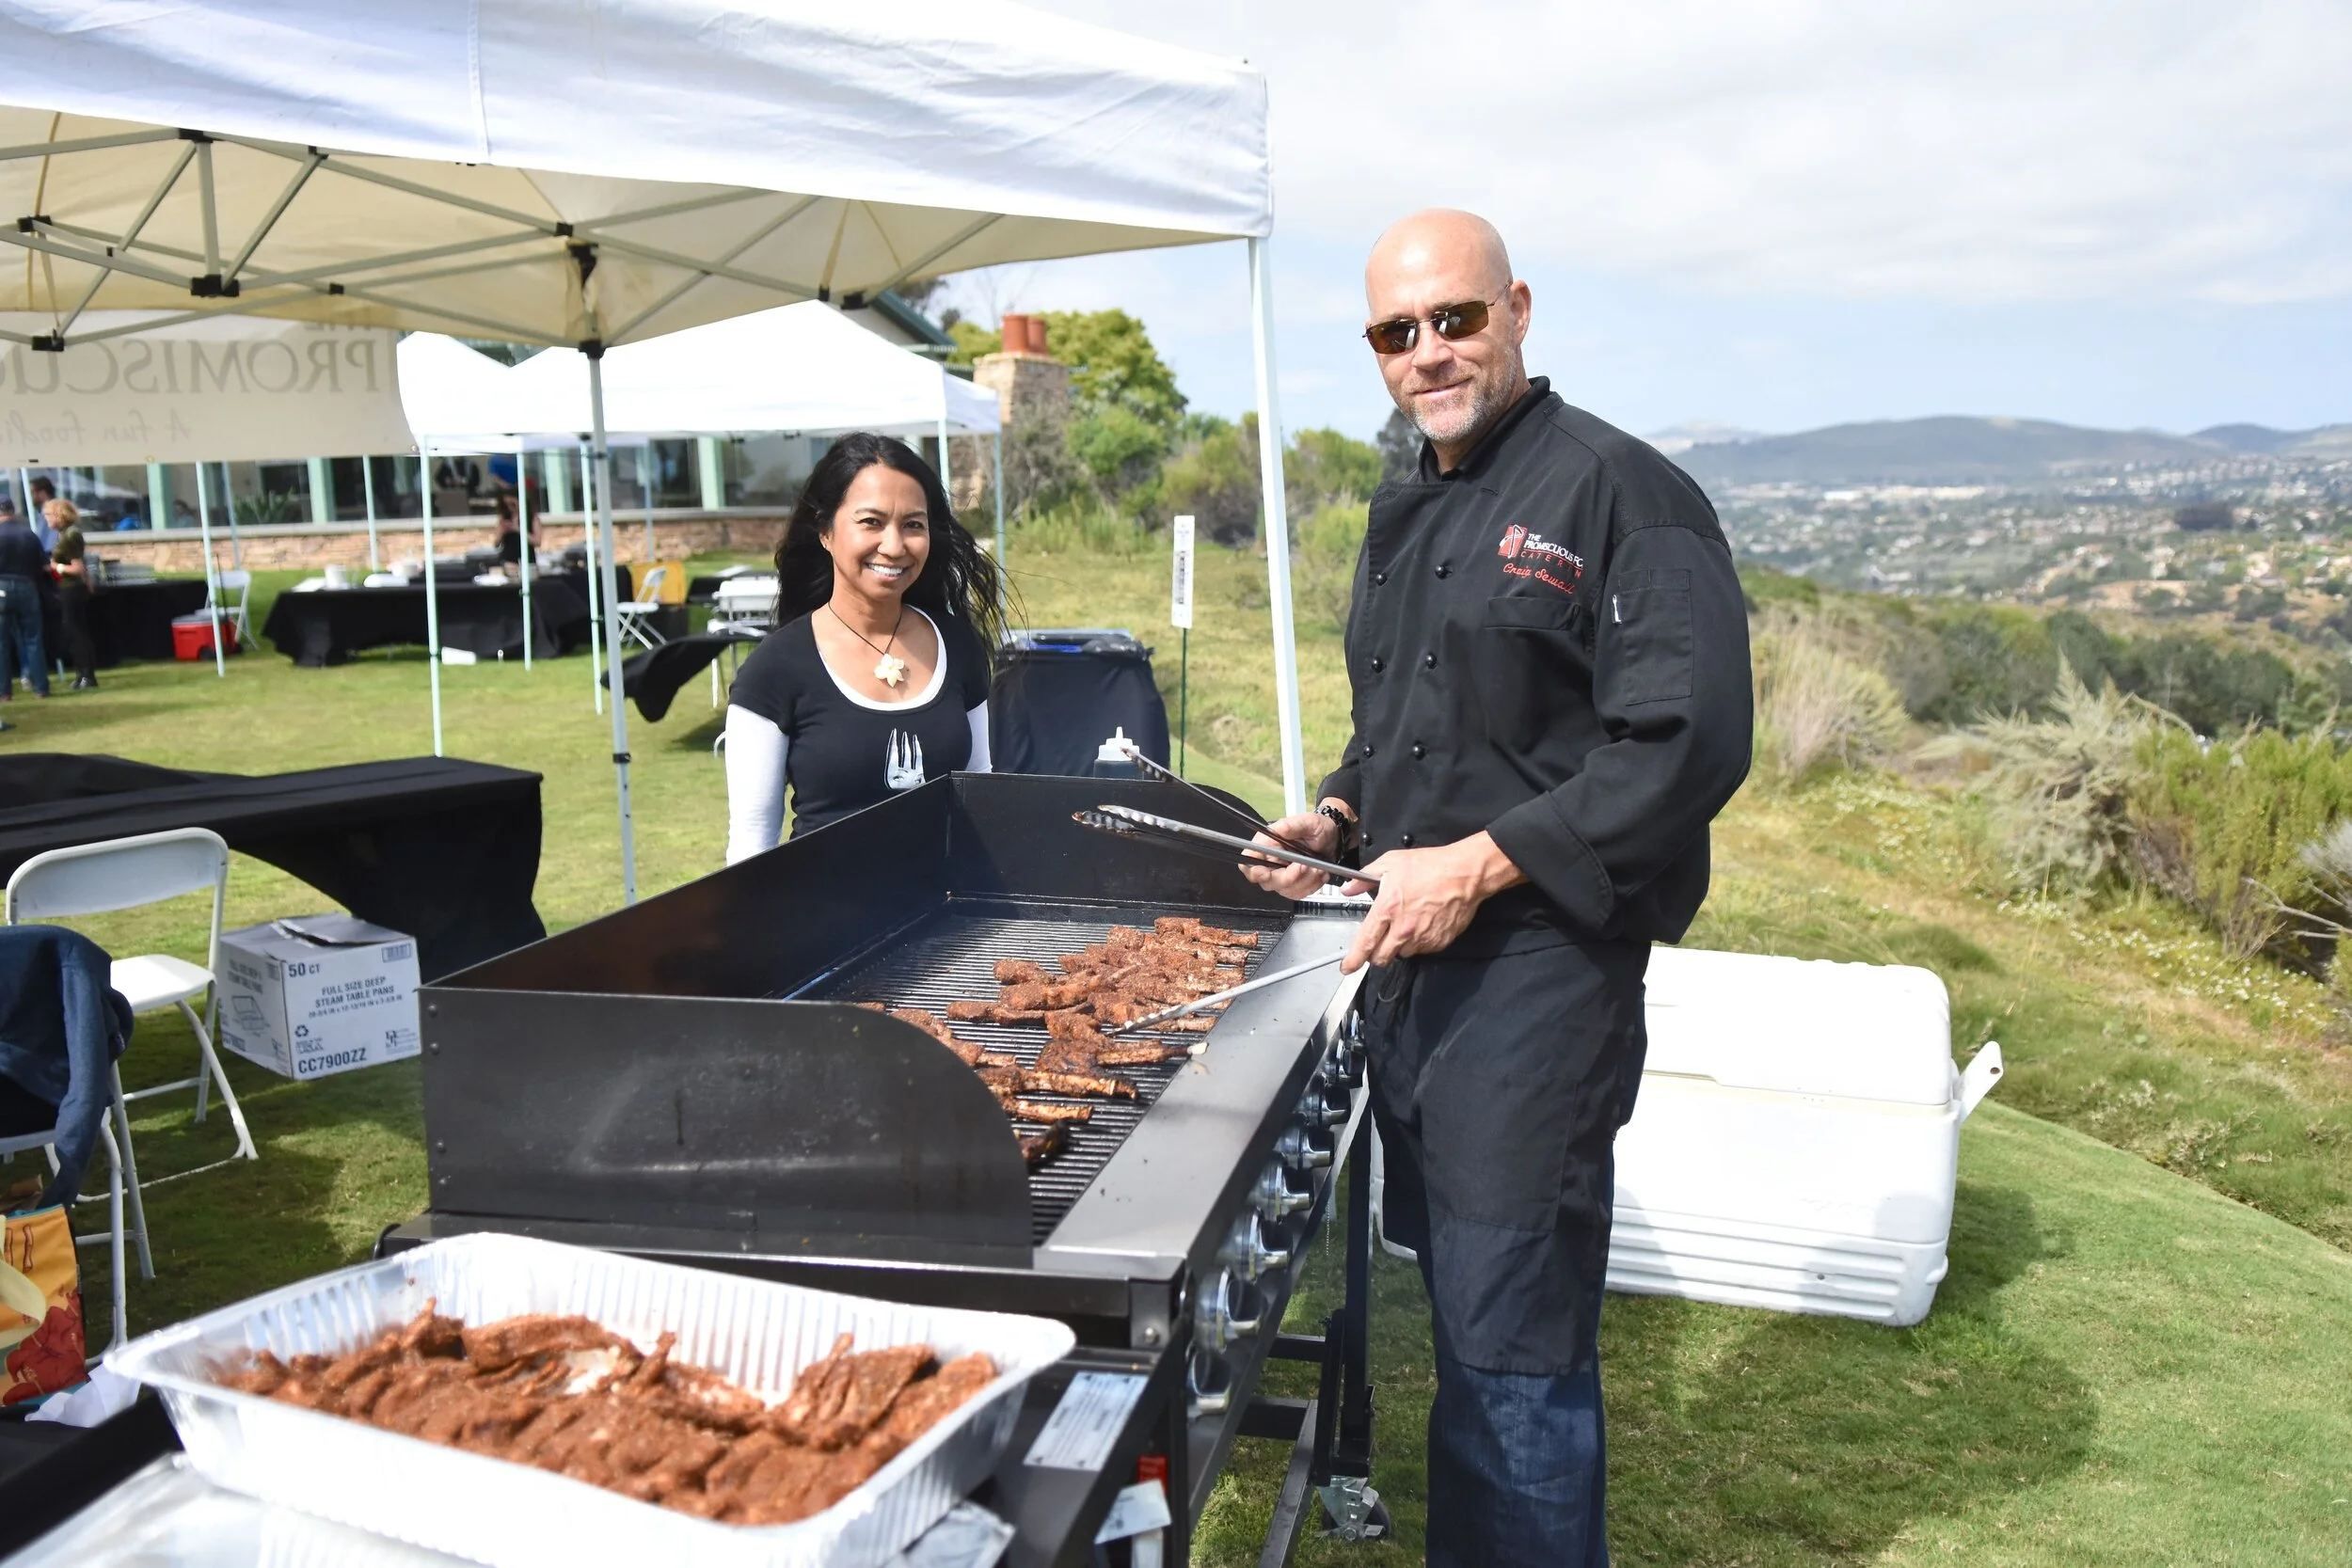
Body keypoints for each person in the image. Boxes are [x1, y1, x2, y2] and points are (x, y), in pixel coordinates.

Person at [1242, 211, 1754, 1568]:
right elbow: (1406, 723)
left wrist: (1474, 864)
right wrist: (1339, 817)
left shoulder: (1624, 494)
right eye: (1396, 333)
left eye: (1455, 318)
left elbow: (1688, 742)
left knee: (1513, 1350)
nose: (1429, 351)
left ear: (1517, 308)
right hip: (1412, 979)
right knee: (1466, 1328)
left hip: (1542, 985)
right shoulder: (1410, 498)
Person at [723, 433, 1006, 857]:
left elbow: (982, 792)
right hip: (825, 913)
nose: (893, 546)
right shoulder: (775, 669)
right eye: (871, 522)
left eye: (913, 524)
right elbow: (752, 842)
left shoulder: (957, 644)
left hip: (947, 913)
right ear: (825, 530)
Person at [0, 502, 52, 700]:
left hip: (2, 587)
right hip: (28, 587)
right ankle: (41, 688)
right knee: (34, 639)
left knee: (1, 643)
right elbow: (44, 565)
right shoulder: (29, 534)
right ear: (12, 511)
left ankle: (4, 692)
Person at [44, 499, 96, 690]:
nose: (47, 519)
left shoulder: (70, 536)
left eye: (49, 515)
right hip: (72, 587)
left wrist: (54, 566)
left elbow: (77, 568)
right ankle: (83, 673)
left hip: (71, 588)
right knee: (76, 631)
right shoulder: (65, 534)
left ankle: (86, 675)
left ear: (59, 515)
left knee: (77, 632)